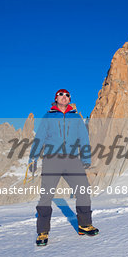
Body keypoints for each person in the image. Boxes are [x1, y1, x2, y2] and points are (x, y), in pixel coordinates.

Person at [28, 89, 99, 246]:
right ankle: (42, 232)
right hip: (52, 159)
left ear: (69, 99)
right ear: (56, 98)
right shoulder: (49, 116)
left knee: (83, 190)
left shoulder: (75, 117)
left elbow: (83, 137)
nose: (64, 97)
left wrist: (86, 156)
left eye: (67, 95)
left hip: (73, 159)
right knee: (46, 195)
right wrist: (32, 158)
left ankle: (84, 225)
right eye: (61, 94)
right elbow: (39, 137)